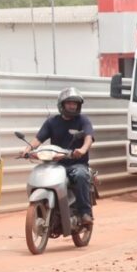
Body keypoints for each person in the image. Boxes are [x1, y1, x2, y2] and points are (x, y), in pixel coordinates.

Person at [25, 87, 96, 225]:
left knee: (81, 175)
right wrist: (28, 149)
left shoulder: (83, 120)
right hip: (55, 164)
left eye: (75, 103)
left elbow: (89, 137)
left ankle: (84, 212)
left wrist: (82, 149)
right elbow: (38, 139)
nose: (72, 106)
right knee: (39, 175)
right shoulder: (52, 122)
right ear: (62, 104)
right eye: (69, 103)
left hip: (76, 164)